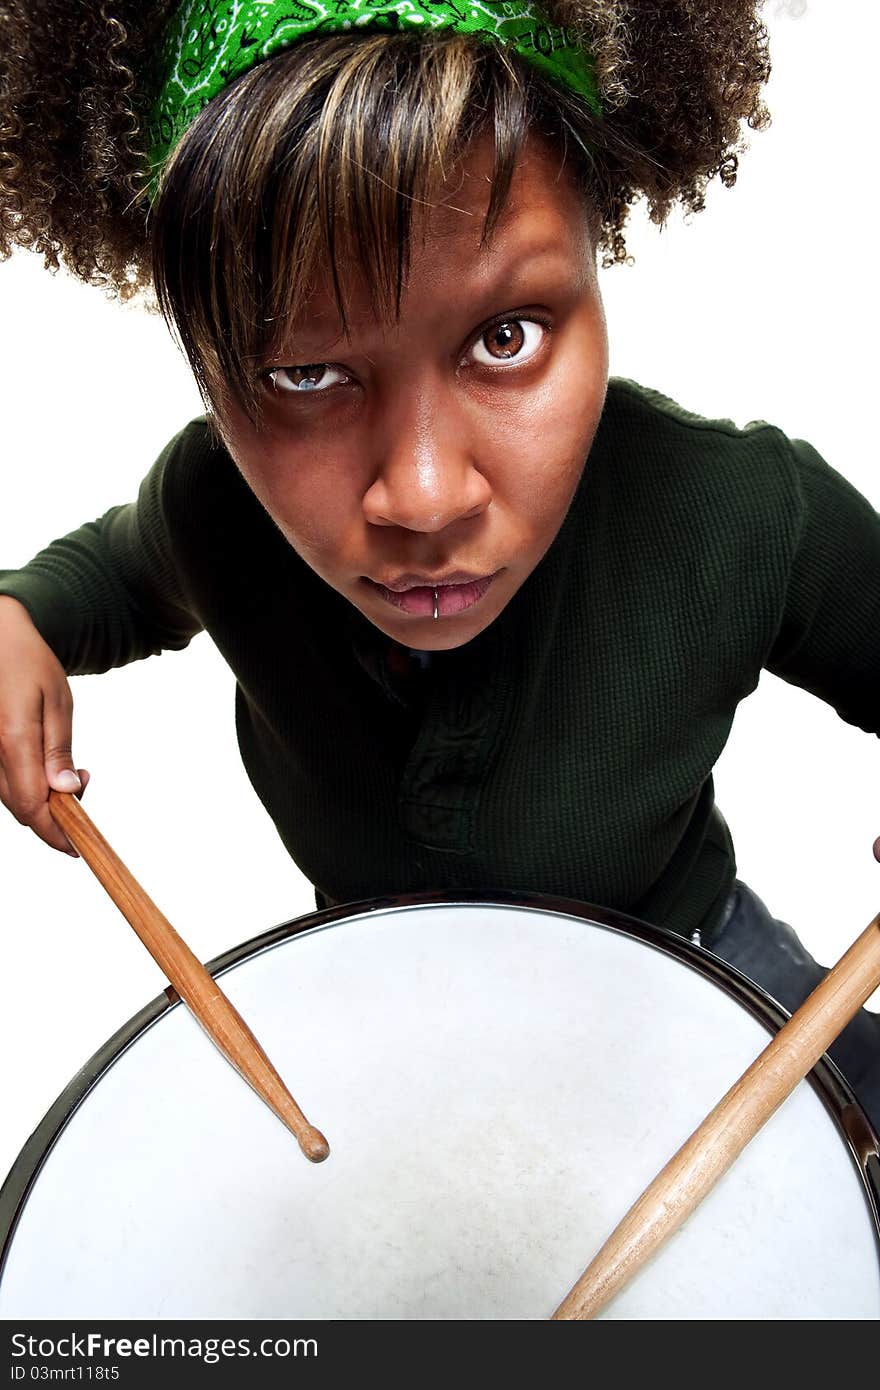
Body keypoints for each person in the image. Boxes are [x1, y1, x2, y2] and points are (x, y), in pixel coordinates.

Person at [0, 0, 878, 1137]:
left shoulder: (744, 509)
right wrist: (18, 616)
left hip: (701, 958)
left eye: (503, 336)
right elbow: (111, 579)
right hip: (383, 992)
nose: (420, 498)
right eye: (302, 373)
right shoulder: (213, 504)